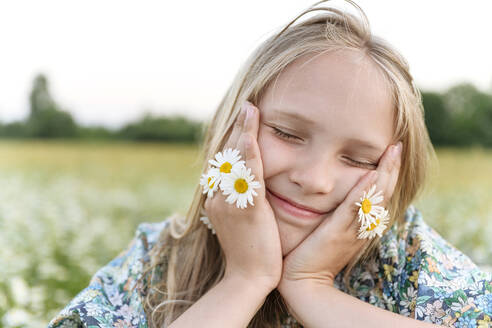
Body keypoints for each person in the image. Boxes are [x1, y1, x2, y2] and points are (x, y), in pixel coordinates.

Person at [48, 1, 492, 327]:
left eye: (358, 159)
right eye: (287, 134)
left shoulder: (409, 259)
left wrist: (311, 285)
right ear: (234, 123)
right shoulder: (158, 259)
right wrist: (243, 281)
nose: (314, 179)